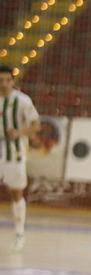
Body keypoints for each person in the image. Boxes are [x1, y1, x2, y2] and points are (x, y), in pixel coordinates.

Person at [0, 65, 39, 252]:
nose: (4, 84)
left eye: (7, 80)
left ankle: (19, 233)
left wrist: (19, 132)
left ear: (13, 81)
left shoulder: (22, 101)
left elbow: (36, 125)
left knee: (16, 192)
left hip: (14, 153)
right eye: (1, 80)